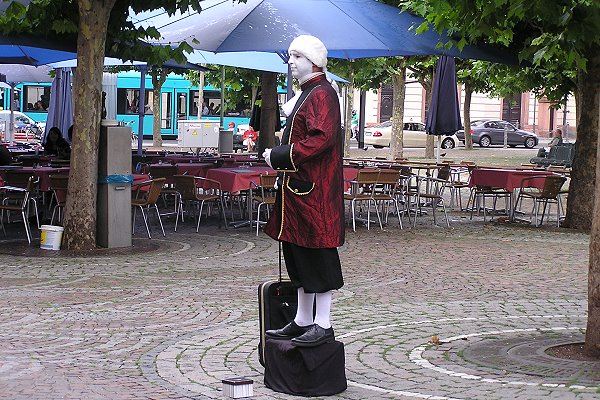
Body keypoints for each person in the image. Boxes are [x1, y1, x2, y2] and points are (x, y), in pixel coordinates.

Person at [262, 35, 344, 348]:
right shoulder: (310, 92)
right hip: (299, 191)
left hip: (314, 193)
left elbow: (321, 139)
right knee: (298, 255)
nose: (291, 62)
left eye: (297, 56)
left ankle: (323, 323)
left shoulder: (322, 93)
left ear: (313, 61)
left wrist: (280, 156)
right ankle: (303, 319)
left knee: (317, 255)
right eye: (291, 56)